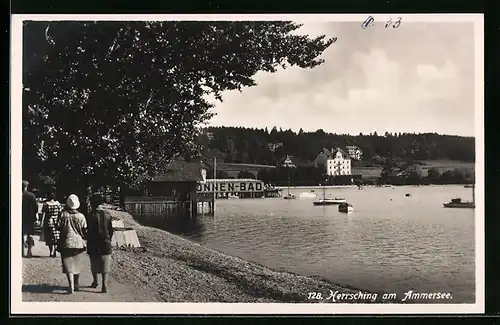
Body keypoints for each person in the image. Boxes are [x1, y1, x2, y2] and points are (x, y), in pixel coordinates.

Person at [57, 194, 87, 293]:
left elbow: (58, 227)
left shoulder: (63, 214)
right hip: (78, 243)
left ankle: (71, 286)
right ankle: (77, 284)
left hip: (66, 242)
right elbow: (84, 229)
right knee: (76, 264)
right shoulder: (81, 216)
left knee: (68, 265)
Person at [87, 194, 114, 293]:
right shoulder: (108, 214)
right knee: (105, 264)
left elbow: (89, 230)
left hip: (93, 242)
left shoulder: (91, 215)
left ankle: (95, 282)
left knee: (94, 262)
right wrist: (109, 239)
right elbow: (111, 230)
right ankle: (104, 285)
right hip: (106, 242)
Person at [41, 188, 62, 257]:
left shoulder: (46, 204)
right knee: (56, 237)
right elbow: (60, 213)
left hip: (48, 221)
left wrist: (41, 222)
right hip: (56, 221)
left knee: (49, 237)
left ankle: (51, 251)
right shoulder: (58, 204)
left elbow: (44, 214)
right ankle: (54, 250)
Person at [22, 180, 38, 257]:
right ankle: (29, 251)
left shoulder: (15, 194)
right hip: (30, 217)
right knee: (30, 234)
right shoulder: (31, 195)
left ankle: (21, 251)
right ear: (27, 186)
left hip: (20, 217)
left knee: (20, 234)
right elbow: (35, 207)